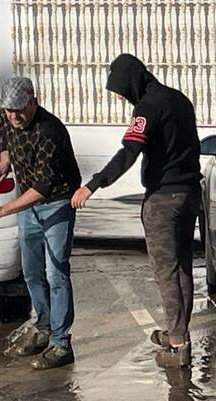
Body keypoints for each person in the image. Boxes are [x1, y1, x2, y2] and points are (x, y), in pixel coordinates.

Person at [71, 54, 201, 369]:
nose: (122, 98)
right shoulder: (180, 100)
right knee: (182, 266)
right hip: (190, 194)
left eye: (120, 91)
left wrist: (94, 184)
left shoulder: (147, 109)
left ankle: (179, 345)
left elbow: (130, 151)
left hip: (163, 200)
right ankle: (176, 332)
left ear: (131, 82)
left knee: (166, 272)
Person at [0, 77, 81, 370]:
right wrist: (2, 166)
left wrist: (2, 210)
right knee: (32, 270)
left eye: (19, 110)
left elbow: (42, 187)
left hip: (56, 201)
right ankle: (44, 324)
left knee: (56, 271)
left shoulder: (51, 132)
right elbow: (7, 146)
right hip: (28, 204)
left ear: (33, 100)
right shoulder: (7, 117)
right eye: (9, 110)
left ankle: (61, 343)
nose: (14, 117)